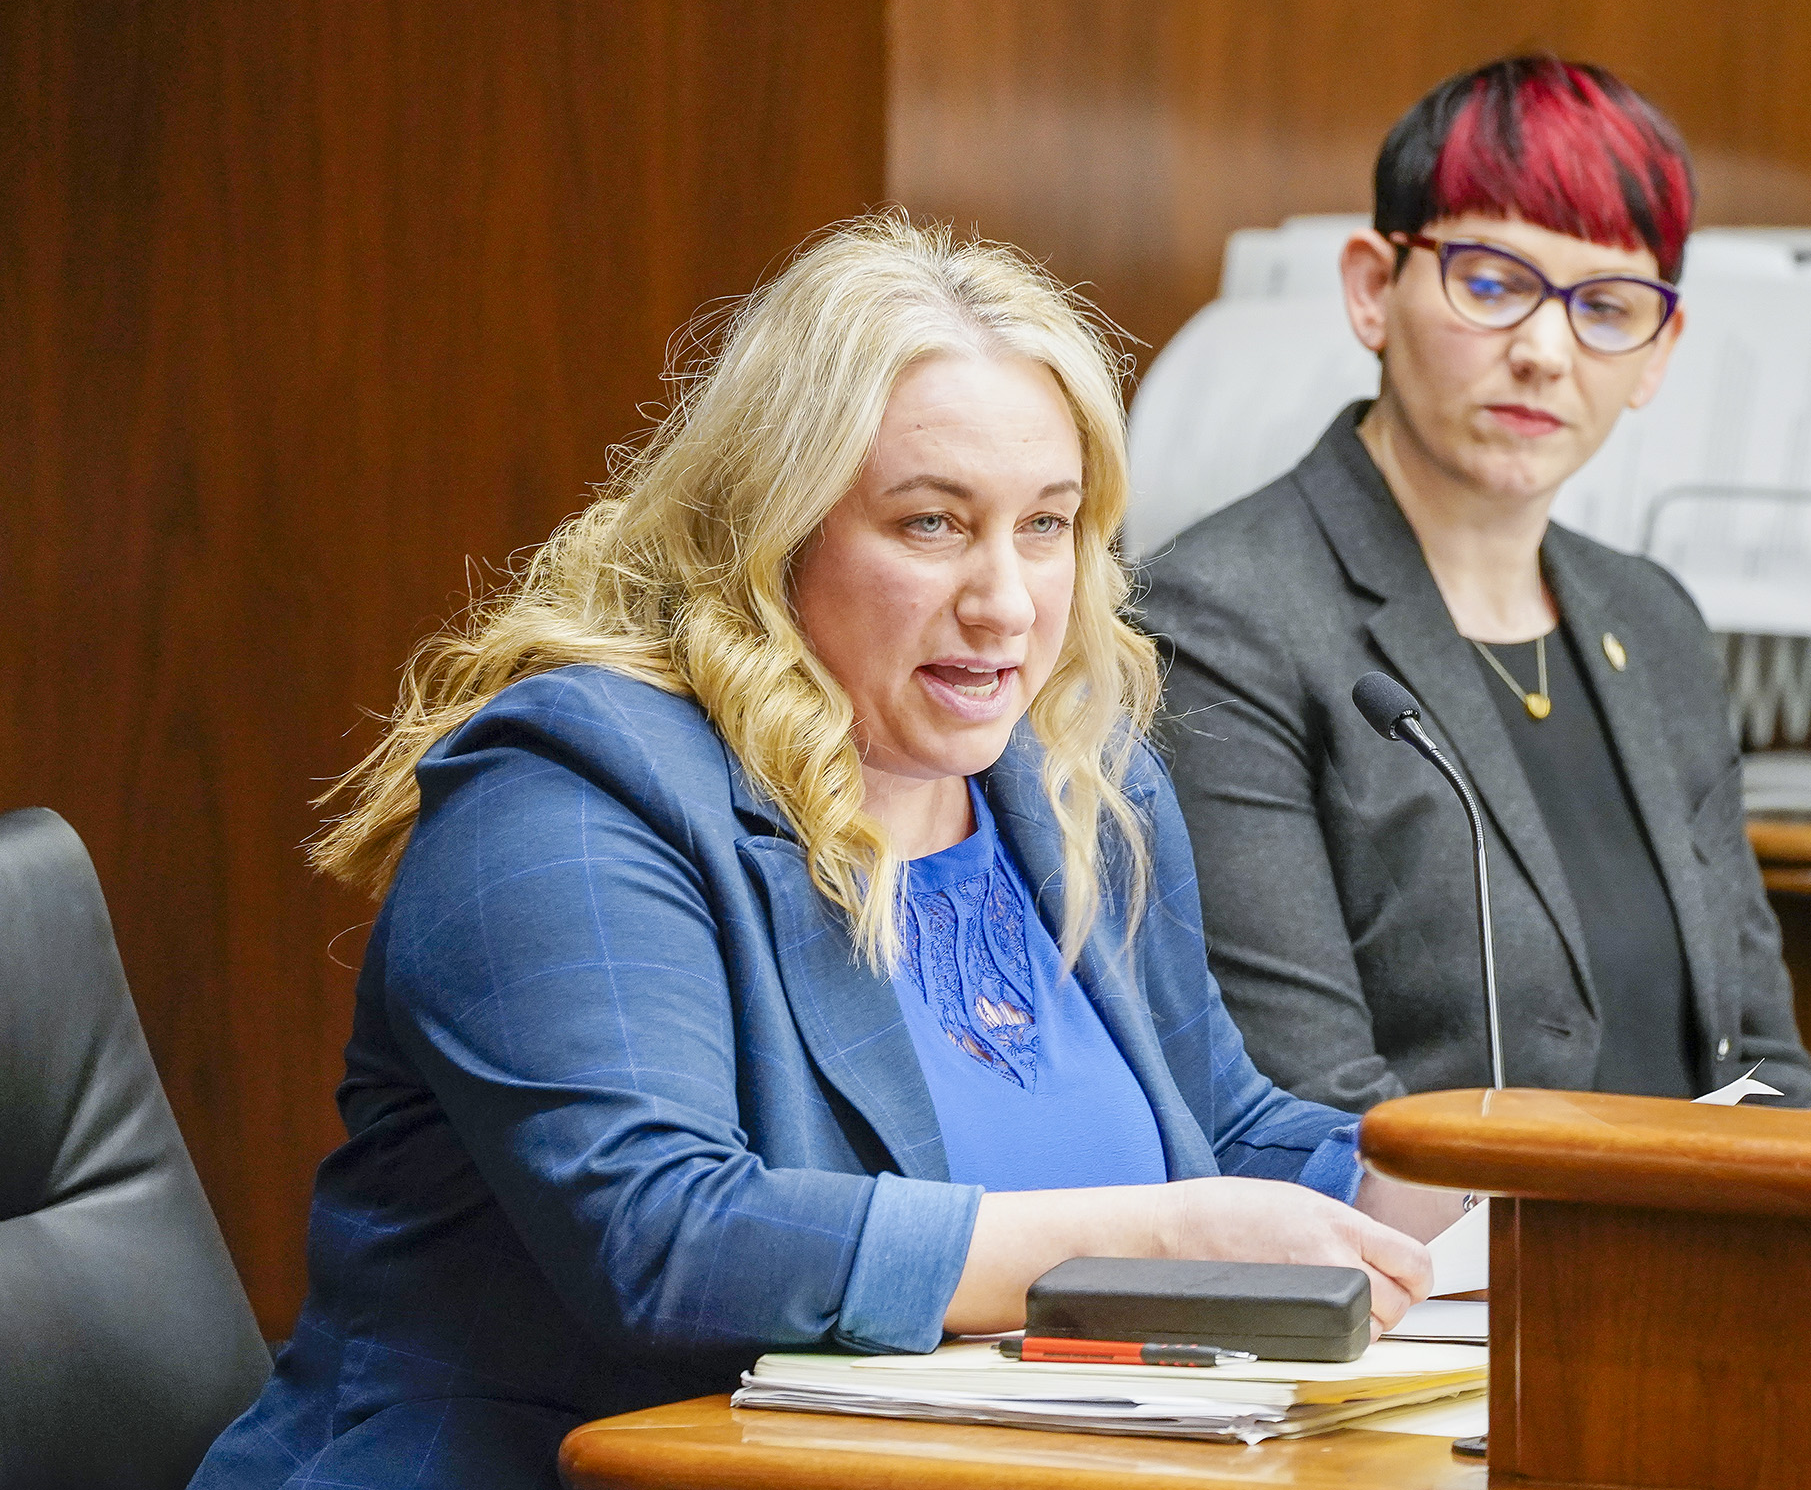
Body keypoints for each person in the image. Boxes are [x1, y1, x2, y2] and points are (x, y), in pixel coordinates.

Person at [188, 215, 1458, 1490]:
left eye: (1047, 525)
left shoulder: (1080, 780)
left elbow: (1225, 1131)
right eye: (930, 525)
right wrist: (1166, 1239)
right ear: (774, 530)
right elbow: (666, 1236)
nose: (1006, 602)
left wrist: (1500, 1211)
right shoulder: (572, 791)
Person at [1140, 57, 1811, 1112]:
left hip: (1698, 1264)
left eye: (1606, 305)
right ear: (1374, 288)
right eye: (1495, 284)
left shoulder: (1655, 623)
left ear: (1657, 352)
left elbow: (1765, 1061)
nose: (1547, 351)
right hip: (1434, 1274)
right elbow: (1308, 1106)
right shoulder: (1226, 620)